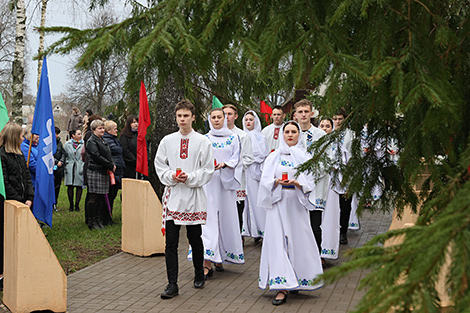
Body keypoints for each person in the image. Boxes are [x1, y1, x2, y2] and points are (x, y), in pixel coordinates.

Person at [258, 121, 323, 305]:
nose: (290, 135)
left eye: (294, 132)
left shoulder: (304, 156)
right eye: (287, 131)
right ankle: (281, 286)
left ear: (298, 134)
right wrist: (275, 182)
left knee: (298, 240)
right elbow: (265, 180)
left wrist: (298, 183)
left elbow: (310, 179)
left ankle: (298, 278)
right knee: (278, 243)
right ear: (282, 134)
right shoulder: (273, 157)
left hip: (295, 204)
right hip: (277, 204)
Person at [154, 99, 214, 298]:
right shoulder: (167, 140)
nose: (182, 119)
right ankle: (172, 283)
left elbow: (208, 168)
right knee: (170, 242)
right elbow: (160, 164)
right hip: (174, 195)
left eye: (186, 115)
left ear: (193, 117)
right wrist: (171, 175)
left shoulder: (203, 141)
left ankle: (199, 272)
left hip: (193, 194)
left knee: (194, 237)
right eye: (179, 115)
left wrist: (190, 177)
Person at [196, 108, 244, 277]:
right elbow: (199, 159)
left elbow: (236, 159)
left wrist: (225, 165)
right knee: (208, 221)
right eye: (213, 117)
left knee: (225, 219)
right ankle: (206, 260)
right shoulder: (204, 138)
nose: (216, 120)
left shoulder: (233, 138)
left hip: (225, 184)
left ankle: (221, 257)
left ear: (225, 119)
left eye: (219, 117)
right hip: (208, 184)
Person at [0, 123, 35, 290]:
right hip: (9, 203)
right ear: (14, 137)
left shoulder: (20, 154)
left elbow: (27, 177)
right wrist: (17, 198)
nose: (24, 138)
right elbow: (5, 182)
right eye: (21, 135)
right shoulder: (2, 155)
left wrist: (29, 196)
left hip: (23, 202)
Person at [294, 99, 328, 254]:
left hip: (315, 184)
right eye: (300, 112)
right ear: (295, 114)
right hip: (295, 185)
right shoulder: (290, 132)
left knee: (315, 225)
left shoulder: (320, 134)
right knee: (297, 224)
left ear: (312, 113)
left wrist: (309, 177)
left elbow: (327, 159)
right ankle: (298, 256)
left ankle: (317, 256)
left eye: (306, 111)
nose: (303, 115)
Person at [222, 104, 254, 232]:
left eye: (230, 114)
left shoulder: (242, 136)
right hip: (219, 182)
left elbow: (249, 158)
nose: (227, 117)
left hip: (236, 182)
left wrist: (233, 166)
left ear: (235, 116)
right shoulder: (214, 136)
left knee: (236, 214)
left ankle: (237, 242)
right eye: (224, 114)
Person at [241, 111, 268, 241]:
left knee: (256, 201)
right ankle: (245, 230)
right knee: (244, 202)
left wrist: (251, 158)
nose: (248, 122)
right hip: (242, 172)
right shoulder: (239, 135)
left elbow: (263, 154)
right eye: (246, 120)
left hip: (255, 171)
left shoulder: (261, 137)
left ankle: (259, 230)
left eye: (251, 119)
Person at [85, 120, 115, 230]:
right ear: (93, 130)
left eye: (103, 128)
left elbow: (107, 154)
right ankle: (92, 221)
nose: (102, 130)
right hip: (95, 171)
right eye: (99, 128)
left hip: (103, 171)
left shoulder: (102, 140)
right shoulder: (91, 141)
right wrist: (110, 165)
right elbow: (96, 156)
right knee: (94, 197)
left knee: (101, 197)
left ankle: (98, 219)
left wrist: (111, 164)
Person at [332, 109, 354, 245]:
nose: (337, 121)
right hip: (332, 174)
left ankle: (343, 232)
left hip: (347, 173)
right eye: (335, 119)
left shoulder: (351, 135)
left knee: (345, 205)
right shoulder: (328, 133)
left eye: (340, 119)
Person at [103, 120, 125, 223]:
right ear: (108, 130)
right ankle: (106, 216)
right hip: (112, 172)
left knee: (113, 194)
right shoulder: (106, 140)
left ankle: (109, 215)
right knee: (110, 195)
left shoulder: (115, 139)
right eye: (115, 129)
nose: (117, 130)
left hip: (119, 171)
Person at [64, 129, 85, 212]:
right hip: (70, 166)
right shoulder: (67, 144)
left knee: (79, 185)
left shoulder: (83, 144)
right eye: (78, 134)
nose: (80, 135)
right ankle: (71, 204)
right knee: (70, 185)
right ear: (73, 135)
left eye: (81, 134)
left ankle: (77, 204)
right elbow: (65, 155)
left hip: (79, 165)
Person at [53, 126, 66, 211]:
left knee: (57, 187)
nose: (57, 136)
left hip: (59, 169)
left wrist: (61, 161)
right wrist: (56, 161)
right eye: (55, 133)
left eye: (57, 134)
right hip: (52, 168)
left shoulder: (59, 143)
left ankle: (55, 204)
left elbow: (63, 153)